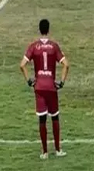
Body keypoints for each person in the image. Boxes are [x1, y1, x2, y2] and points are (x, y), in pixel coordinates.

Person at [20, 19, 70, 159]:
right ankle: (58, 150)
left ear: (39, 29)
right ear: (48, 29)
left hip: (39, 87)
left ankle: (44, 152)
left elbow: (22, 65)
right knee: (55, 117)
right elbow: (66, 65)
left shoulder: (34, 46)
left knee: (42, 119)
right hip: (51, 87)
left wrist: (29, 80)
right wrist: (61, 82)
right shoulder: (54, 46)